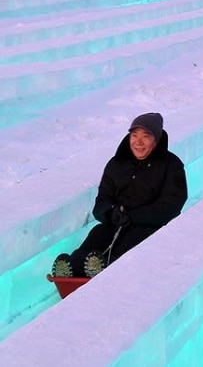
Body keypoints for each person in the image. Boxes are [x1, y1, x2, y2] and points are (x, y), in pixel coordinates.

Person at [51, 112, 188, 278]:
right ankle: (72, 268)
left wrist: (135, 217)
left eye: (146, 136)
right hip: (115, 223)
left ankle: (106, 270)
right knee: (98, 233)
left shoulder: (171, 165)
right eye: (134, 135)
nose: (138, 142)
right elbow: (101, 201)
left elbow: (171, 206)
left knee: (132, 242)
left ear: (156, 139)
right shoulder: (117, 164)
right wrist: (110, 212)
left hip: (148, 227)